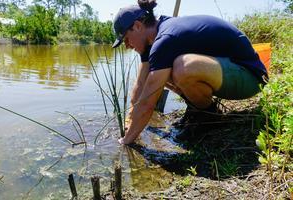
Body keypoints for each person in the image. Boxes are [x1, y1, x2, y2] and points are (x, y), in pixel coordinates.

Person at [112, 0, 268, 145]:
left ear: (138, 26)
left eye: (126, 39)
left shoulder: (164, 40)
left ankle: (206, 116)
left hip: (251, 77)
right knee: (158, 72)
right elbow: (140, 85)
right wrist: (129, 119)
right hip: (227, 71)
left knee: (182, 67)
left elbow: (147, 102)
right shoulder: (152, 40)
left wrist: (127, 140)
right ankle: (196, 108)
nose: (126, 46)